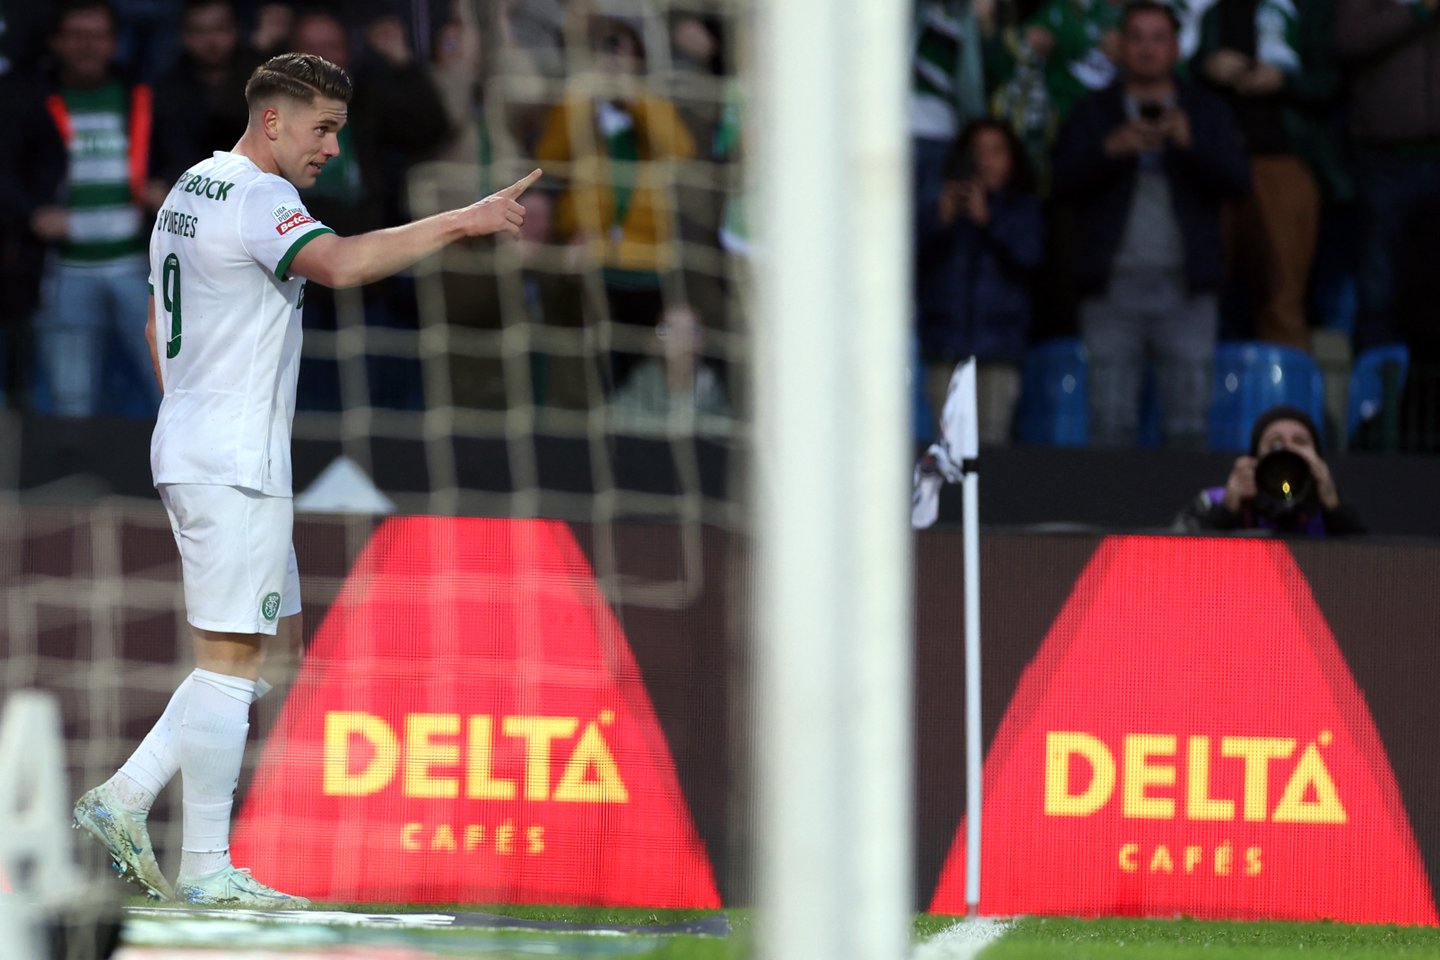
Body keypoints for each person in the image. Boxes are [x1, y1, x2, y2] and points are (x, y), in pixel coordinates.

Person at [71, 51, 540, 908]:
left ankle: (127, 796)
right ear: (274, 119)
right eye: (322, 128)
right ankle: (205, 865)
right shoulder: (260, 196)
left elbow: (152, 326)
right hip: (234, 459)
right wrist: (463, 221)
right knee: (230, 658)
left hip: (198, 441)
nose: (331, 148)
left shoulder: (189, 186)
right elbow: (343, 266)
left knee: (272, 647)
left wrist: (199, 417)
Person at [1051, 0, 1250, 449]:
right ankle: (1108, 516)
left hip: (1187, 289)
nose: (1146, 48)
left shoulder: (1205, 110)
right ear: (1119, 46)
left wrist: (1188, 144)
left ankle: (1184, 520)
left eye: (1158, 37)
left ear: (1177, 48)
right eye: (1136, 37)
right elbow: (1059, 183)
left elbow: (1238, 183)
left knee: (1187, 426)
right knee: (1110, 422)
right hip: (1112, 290)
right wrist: (1110, 150)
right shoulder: (1094, 111)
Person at [19, 0, 166, 417]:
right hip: (64, 268)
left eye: (97, 36)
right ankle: (74, 479)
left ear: (114, 43)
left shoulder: (143, 94)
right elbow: (8, 168)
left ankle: (176, 481)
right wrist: (33, 212)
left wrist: (169, 187)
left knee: (170, 389)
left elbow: (184, 152)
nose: (87, 47)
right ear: (56, 42)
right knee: (70, 399)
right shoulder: (31, 98)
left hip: (141, 266)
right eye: (77, 37)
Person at [1193, 0, 1346, 351]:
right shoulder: (1218, 14)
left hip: (1285, 161)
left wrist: (1284, 81)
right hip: (1218, 165)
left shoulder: (1311, 11)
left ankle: (1286, 404)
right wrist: (1208, 67)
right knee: (1203, 293)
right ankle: (1207, 399)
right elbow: (1188, 81)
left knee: (1283, 298)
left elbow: (1333, 83)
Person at [917, 118, 1045, 444]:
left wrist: (989, 220)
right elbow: (908, 263)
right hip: (945, 345)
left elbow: (1030, 258)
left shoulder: (1022, 208)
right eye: (977, 152)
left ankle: (989, 499)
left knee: (992, 444)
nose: (985, 161)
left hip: (999, 349)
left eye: (996, 151)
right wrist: (940, 221)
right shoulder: (940, 207)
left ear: (1012, 159)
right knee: (946, 447)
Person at [1334, 0, 1440, 358]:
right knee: (1379, 289)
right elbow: (1348, 39)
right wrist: (1418, 11)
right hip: (1386, 160)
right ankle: (1377, 405)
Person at [1173, 404, 1365, 535]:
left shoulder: (1331, 506)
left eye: (1300, 441)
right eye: (1275, 443)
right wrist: (1227, 511)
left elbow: (1370, 565)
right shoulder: (1213, 501)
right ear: (1254, 457)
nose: (1287, 448)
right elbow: (1175, 560)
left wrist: (1335, 507)